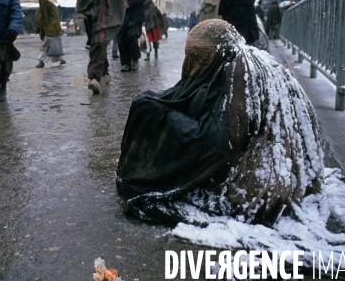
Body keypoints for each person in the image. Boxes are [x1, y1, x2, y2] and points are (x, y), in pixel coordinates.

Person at [116, 19, 324, 226]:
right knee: (150, 104)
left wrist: (164, 120)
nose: (190, 63)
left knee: (146, 108)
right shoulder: (242, 59)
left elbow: (220, 144)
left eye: (195, 57)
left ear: (209, 53)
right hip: (285, 162)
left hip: (258, 175)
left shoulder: (239, 74)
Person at [117, 0, 147, 72]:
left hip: (135, 14)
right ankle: (125, 63)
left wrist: (130, 4)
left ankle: (135, 59)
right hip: (122, 15)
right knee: (121, 38)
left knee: (131, 36)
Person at [35, 0, 66, 68]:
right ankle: (61, 60)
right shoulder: (41, 9)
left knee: (45, 47)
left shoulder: (51, 6)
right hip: (45, 31)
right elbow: (39, 19)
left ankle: (41, 62)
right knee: (53, 47)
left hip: (51, 31)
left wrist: (51, 28)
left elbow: (55, 19)